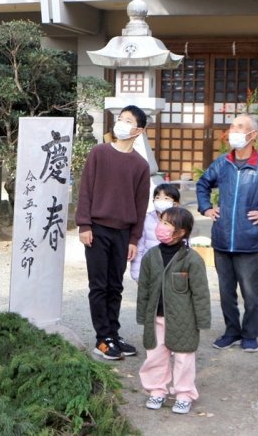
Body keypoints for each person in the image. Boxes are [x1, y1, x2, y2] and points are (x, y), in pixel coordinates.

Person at [196, 114, 258, 353]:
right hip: (222, 239)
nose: (232, 131)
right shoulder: (222, 163)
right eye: (231, 126)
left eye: (239, 127)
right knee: (226, 292)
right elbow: (203, 184)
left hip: (249, 240)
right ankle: (231, 331)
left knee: (250, 293)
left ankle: (250, 334)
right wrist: (206, 207)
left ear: (253, 135)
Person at [77, 105, 151, 361]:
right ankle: (102, 339)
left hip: (122, 234)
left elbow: (141, 206)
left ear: (138, 130)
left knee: (115, 286)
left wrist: (134, 239)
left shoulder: (140, 165)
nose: (120, 123)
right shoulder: (99, 153)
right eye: (119, 119)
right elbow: (85, 190)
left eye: (127, 120)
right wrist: (84, 225)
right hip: (97, 230)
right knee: (99, 286)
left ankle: (113, 333)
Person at [136, 206, 210, 415]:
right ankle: (157, 390)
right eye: (162, 222)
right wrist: (142, 315)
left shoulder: (192, 259)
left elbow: (200, 292)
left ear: (182, 231)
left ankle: (184, 394)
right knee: (155, 355)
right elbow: (144, 287)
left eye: (168, 224)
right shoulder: (151, 256)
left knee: (184, 357)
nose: (162, 227)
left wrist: (202, 320)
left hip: (183, 320)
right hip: (155, 317)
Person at [130, 183, 181, 282]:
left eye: (166, 198)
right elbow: (139, 247)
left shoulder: (181, 221)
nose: (161, 201)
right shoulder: (146, 220)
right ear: (153, 201)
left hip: (172, 271)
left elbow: (187, 247)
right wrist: (137, 275)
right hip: (149, 270)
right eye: (158, 198)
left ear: (175, 203)